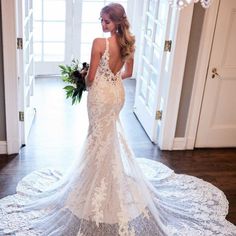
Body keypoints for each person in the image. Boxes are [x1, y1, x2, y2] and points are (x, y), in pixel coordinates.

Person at [0, 3, 235, 236]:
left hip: (101, 96)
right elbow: (128, 73)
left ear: (116, 22)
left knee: (96, 136)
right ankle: (106, 175)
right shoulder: (129, 43)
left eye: (106, 21)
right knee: (107, 135)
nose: (102, 24)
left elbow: (91, 78)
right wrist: (112, 78)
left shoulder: (99, 43)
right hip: (117, 94)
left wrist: (86, 77)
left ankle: (95, 179)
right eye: (100, 20)